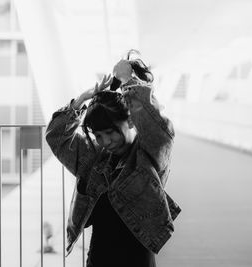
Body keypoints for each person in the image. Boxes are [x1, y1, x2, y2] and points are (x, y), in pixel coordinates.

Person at [46, 50, 181, 267]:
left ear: (129, 122)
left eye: (110, 132)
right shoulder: (96, 159)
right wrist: (82, 99)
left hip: (137, 261)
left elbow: (157, 126)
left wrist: (130, 81)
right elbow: (56, 137)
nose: (105, 141)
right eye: (99, 135)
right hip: (99, 259)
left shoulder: (147, 154)